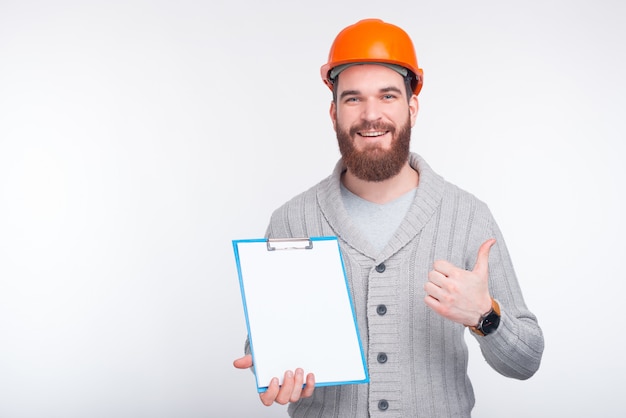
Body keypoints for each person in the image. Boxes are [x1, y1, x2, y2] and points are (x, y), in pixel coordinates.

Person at [233, 18, 544, 417]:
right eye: (353, 99)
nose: (370, 115)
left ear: (411, 107)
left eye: (387, 97)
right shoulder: (291, 221)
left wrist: (484, 316)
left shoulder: (467, 217)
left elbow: (526, 361)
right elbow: (264, 343)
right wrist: (269, 364)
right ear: (333, 112)